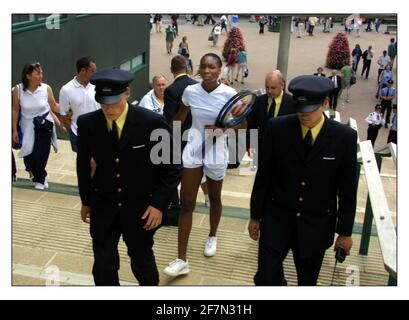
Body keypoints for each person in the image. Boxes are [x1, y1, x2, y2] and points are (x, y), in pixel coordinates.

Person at [249, 75, 358, 286]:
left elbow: (347, 189)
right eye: (300, 109)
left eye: (310, 110)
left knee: (307, 283)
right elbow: (264, 176)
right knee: (265, 279)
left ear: (325, 104)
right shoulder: (276, 128)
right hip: (277, 220)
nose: (303, 115)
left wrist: (345, 232)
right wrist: (255, 216)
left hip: (315, 226)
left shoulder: (344, 137)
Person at [76, 68, 181, 285]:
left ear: (127, 93)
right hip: (104, 204)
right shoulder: (88, 123)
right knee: (103, 264)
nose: (107, 107)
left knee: (141, 260)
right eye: (103, 102)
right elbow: (83, 166)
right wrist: (86, 201)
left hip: (141, 207)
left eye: (113, 101)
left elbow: (172, 169)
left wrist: (158, 205)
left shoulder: (151, 123)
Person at [163, 53, 239, 277]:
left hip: (217, 150)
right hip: (194, 148)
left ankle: (212, 235)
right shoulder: (190, 91)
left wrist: (223, 129)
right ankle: (181, 259)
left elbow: (242, 124)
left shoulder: (229, 94)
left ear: (219, 70)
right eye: (203, 66)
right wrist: (167, 130)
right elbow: (180, 115)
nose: (207, 71)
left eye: (212, 67)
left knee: (214, 199)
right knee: (187, 203)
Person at [12, 62, 62, 190]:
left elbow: (54, 105)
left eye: (41, 73)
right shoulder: (18, 90)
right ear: (28, 76)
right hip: (26, 126)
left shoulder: (46, 88)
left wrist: (68, 109)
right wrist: (14, 130)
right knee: (29, 156)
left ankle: (41, 177)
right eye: (37, 73)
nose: (41, 75)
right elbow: (15, 110)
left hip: (44, 126)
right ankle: (36, 175)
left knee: (40, 154)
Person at [246, 70, 297, 161]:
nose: (269, 91)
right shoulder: (259, 101)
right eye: (267, 87)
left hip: (284, 152)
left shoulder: (293, 103)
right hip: (261, 150)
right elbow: (252, 125)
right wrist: (252, 145)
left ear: (282, 85)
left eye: (273, 88)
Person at [59, 57, 99, 153]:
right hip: (78, 135)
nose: (95, 73)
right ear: (83, 71)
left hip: (98, 133)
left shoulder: (98, 86)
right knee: (83, 165)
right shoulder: (66, 90)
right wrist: (73, 131)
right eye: (92, 71)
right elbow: (64, 115)